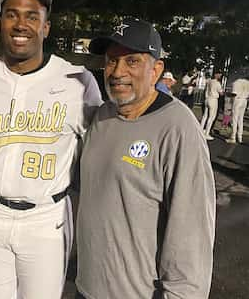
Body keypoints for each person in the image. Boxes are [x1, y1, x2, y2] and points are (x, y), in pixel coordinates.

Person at [0, 0, 102, 299]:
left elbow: (104, 141)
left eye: (31, 16)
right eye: (12, 14)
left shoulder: (77, 82)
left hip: (45, 217)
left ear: (46, 28)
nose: (20, 24)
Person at [76, 17, 216, 299]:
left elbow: (192, 235)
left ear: (156, 70)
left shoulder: (178, 128)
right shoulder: (103, 116)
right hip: (86, 289)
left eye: (132, 61)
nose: (117, 72)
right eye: (112, 61)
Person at [200, 70, 223, 140]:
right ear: (216, 75)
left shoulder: (209, 81)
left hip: (207, 99)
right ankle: (206, 133)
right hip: (213, 99)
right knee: (211, 117)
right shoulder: (217, 83)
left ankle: (200, 130)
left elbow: (205, 90)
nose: (220, 75)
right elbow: (221, 93)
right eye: (219, 74)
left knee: (205, 116)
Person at [226, 76, 249, 144]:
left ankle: (233, 137)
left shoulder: (236, 82)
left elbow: (234, 94)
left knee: (235, 119)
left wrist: (228, 94)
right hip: (244, 101)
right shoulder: (248, 83)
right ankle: (240, 137)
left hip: (237, 100)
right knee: (241, 120)